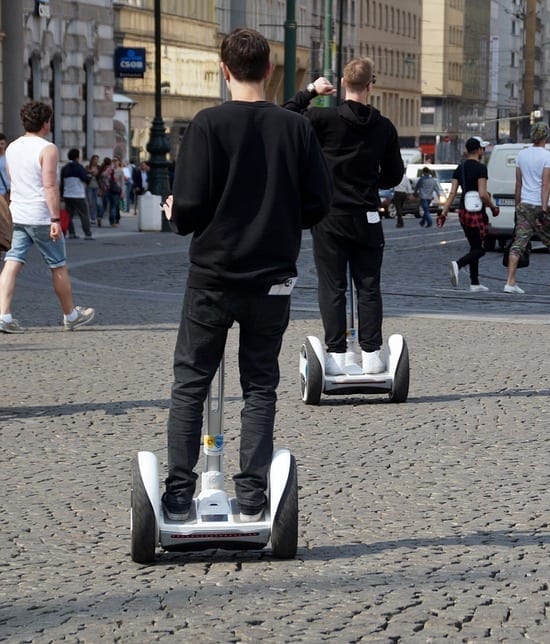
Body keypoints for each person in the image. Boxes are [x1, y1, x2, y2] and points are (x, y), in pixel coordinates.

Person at [159, 28, 330, 523]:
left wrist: (175, 212)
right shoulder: (296, 128)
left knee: (191, 383)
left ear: (223, 70)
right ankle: (253, 495)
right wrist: (282, 214)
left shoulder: (207, 124)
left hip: (213, 276)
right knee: (259, 385)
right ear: (270, 70)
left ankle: (178, 494)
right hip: (271, 278)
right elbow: (318, 204)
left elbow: (189, 206)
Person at [283, 56, 404, 375]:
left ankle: (336, 355)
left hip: (330, 216)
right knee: (369, 286)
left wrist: (311, 90)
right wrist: (370, 182)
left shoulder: (323, 119)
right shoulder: (384, 126)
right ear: (370, 85)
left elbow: (285, 116)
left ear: (342, 84)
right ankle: (372, 354)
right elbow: (394, 175)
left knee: (332, 286)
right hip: (367, 215)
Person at [0, 101, 95, 334]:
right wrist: (55, 219)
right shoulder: (47, 149)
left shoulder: (12, 148)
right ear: (45, 123)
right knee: (58, 265)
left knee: (11, 263)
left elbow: (12, 180)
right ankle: (70, 315)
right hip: (41, 215)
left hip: (17, 213)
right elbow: (49, 185)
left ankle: (4, 315)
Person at [503, 121, 550, 294]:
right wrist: (544, 209)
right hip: (539, 205)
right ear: (546, 136)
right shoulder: (547, 157)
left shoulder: (522, 155)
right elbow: (545, 185)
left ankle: (510, 281)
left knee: (518, 243)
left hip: (524, 205)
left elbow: (518, 183)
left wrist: (517, 206)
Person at [439, 136, 499, 292]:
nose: (483, 152)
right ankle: (458, 264)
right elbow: (483, 193)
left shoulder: (460, 168)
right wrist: (493, 207)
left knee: (474, 246)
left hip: (463, 211)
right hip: (477, 213)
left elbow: (452, 193)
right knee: (480, 249)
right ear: (478, 150)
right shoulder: (481, 168)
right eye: (482, 149)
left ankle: (475, 283)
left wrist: (444, 213)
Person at [60, 148, 93, 240]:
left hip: (67, 194)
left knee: (69, 215)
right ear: (77, 157)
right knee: (83, 214)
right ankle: (87, 234)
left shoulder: (64, 168)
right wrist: (90, 176)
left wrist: (61, 195)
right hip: (78, 194)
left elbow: (62, 183)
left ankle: (71, 232)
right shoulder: (79, 167)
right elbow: (85, 179)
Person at [85, 154, 101, 228]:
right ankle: (92, 218)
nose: (96, 161)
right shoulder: (88, 167)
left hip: (97, 187)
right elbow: (84, 176)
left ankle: (98, 217)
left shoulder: (99, 168)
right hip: (89, 187)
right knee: (90, 203)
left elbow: (101, 177)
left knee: (97, 202)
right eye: (95, 159)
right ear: (92, 160)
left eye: (97, 160)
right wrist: (90, 173)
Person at [0, 133, 10, 203]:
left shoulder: (9, 157)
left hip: (7, 191)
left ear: (6, 144)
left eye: (2, 144)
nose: (0, 146)